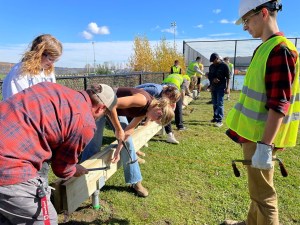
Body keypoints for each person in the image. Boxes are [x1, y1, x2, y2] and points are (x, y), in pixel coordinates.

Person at [0, 82, 120, 224]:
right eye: (106, 113)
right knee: (46, 220)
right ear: (101, 108)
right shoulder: (85, 123)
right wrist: (74, 169)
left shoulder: (50, 87)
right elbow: (61, 169)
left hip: (8, 151)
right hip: (9, 168)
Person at [224, 0, 299, 225]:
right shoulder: (266, 48)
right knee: (257, 191)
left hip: (261, 138)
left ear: (263, 13)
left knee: (264, 196)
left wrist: (265, 147)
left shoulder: (280, 50)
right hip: (255, 136)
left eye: (246, 20)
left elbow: (279, 104)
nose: (245, 27)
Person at [83, 87, 174, 197]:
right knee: (93, 143)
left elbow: (129, 130)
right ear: (159, 109)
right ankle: (84, 180)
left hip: (114, 109)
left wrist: (118, 150)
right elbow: (111, 104)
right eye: (156, 118)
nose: (153, 120)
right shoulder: (142, 100)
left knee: (128, 143)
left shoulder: (146, 110)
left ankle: (135, 181)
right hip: (101, 103)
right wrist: (118, 128)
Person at [2, 34, 62, 99]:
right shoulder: (20, 71)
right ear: (38, 53)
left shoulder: (48, 72)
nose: (52, 63)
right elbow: (17, 103)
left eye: (55, 60)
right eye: (50, 59)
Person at [207, 53, 230, 127]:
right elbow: (210, 76)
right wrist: (212, 81)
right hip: (213, 87)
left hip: (221, 87)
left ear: (217, 58)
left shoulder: (224, 66)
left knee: (220, 103)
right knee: (214, 103)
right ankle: (215, 117)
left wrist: (228, 87)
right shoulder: (211, 66)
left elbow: (228, 77)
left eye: (213, 61)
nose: (213, 63)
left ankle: (220, 120)